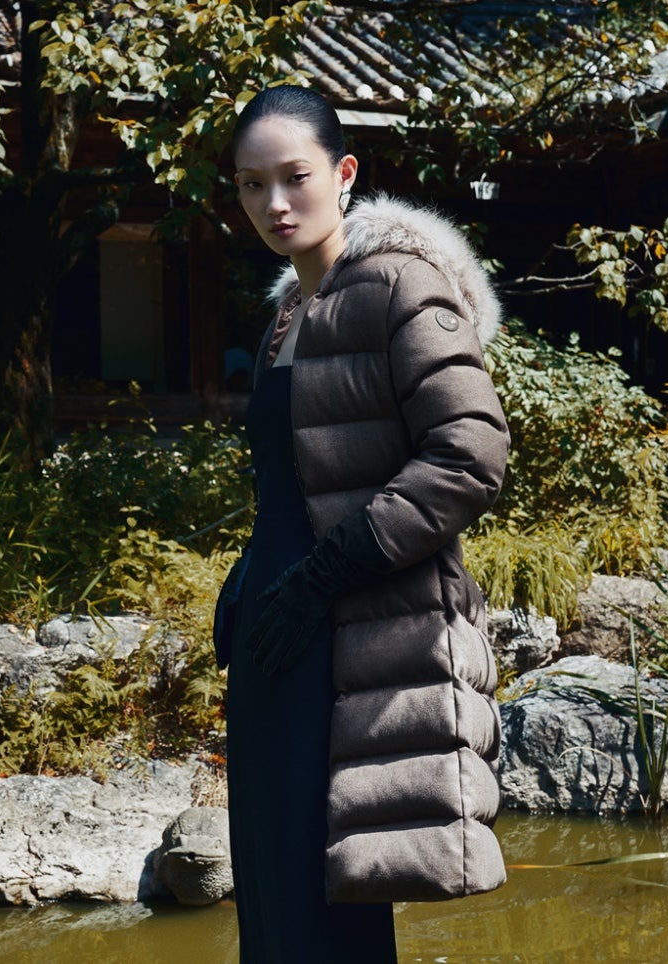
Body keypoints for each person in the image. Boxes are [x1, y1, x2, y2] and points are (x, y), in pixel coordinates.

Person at [217, 83, 510, 964]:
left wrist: (321, 575)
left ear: (344, 174)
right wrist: (248, 577)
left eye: (295, 177)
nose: (273, 203)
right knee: (272, 881)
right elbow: (296, 479)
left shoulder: (397, 286)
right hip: (273, 632)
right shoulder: (286, 313)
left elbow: (469, 453)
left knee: (329, 895)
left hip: (352, 636)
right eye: (251, 184)